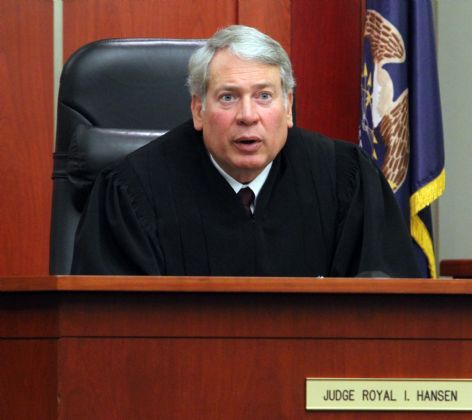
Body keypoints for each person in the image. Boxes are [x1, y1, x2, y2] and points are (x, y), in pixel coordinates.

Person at [70, 25, 420, 277]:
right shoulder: (132, 192)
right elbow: (111, 333)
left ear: (288, 107)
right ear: (197, 110)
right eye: (228, 97)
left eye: (264, 96)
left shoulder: (346, 180)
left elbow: (389, 313)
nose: (248, 116)